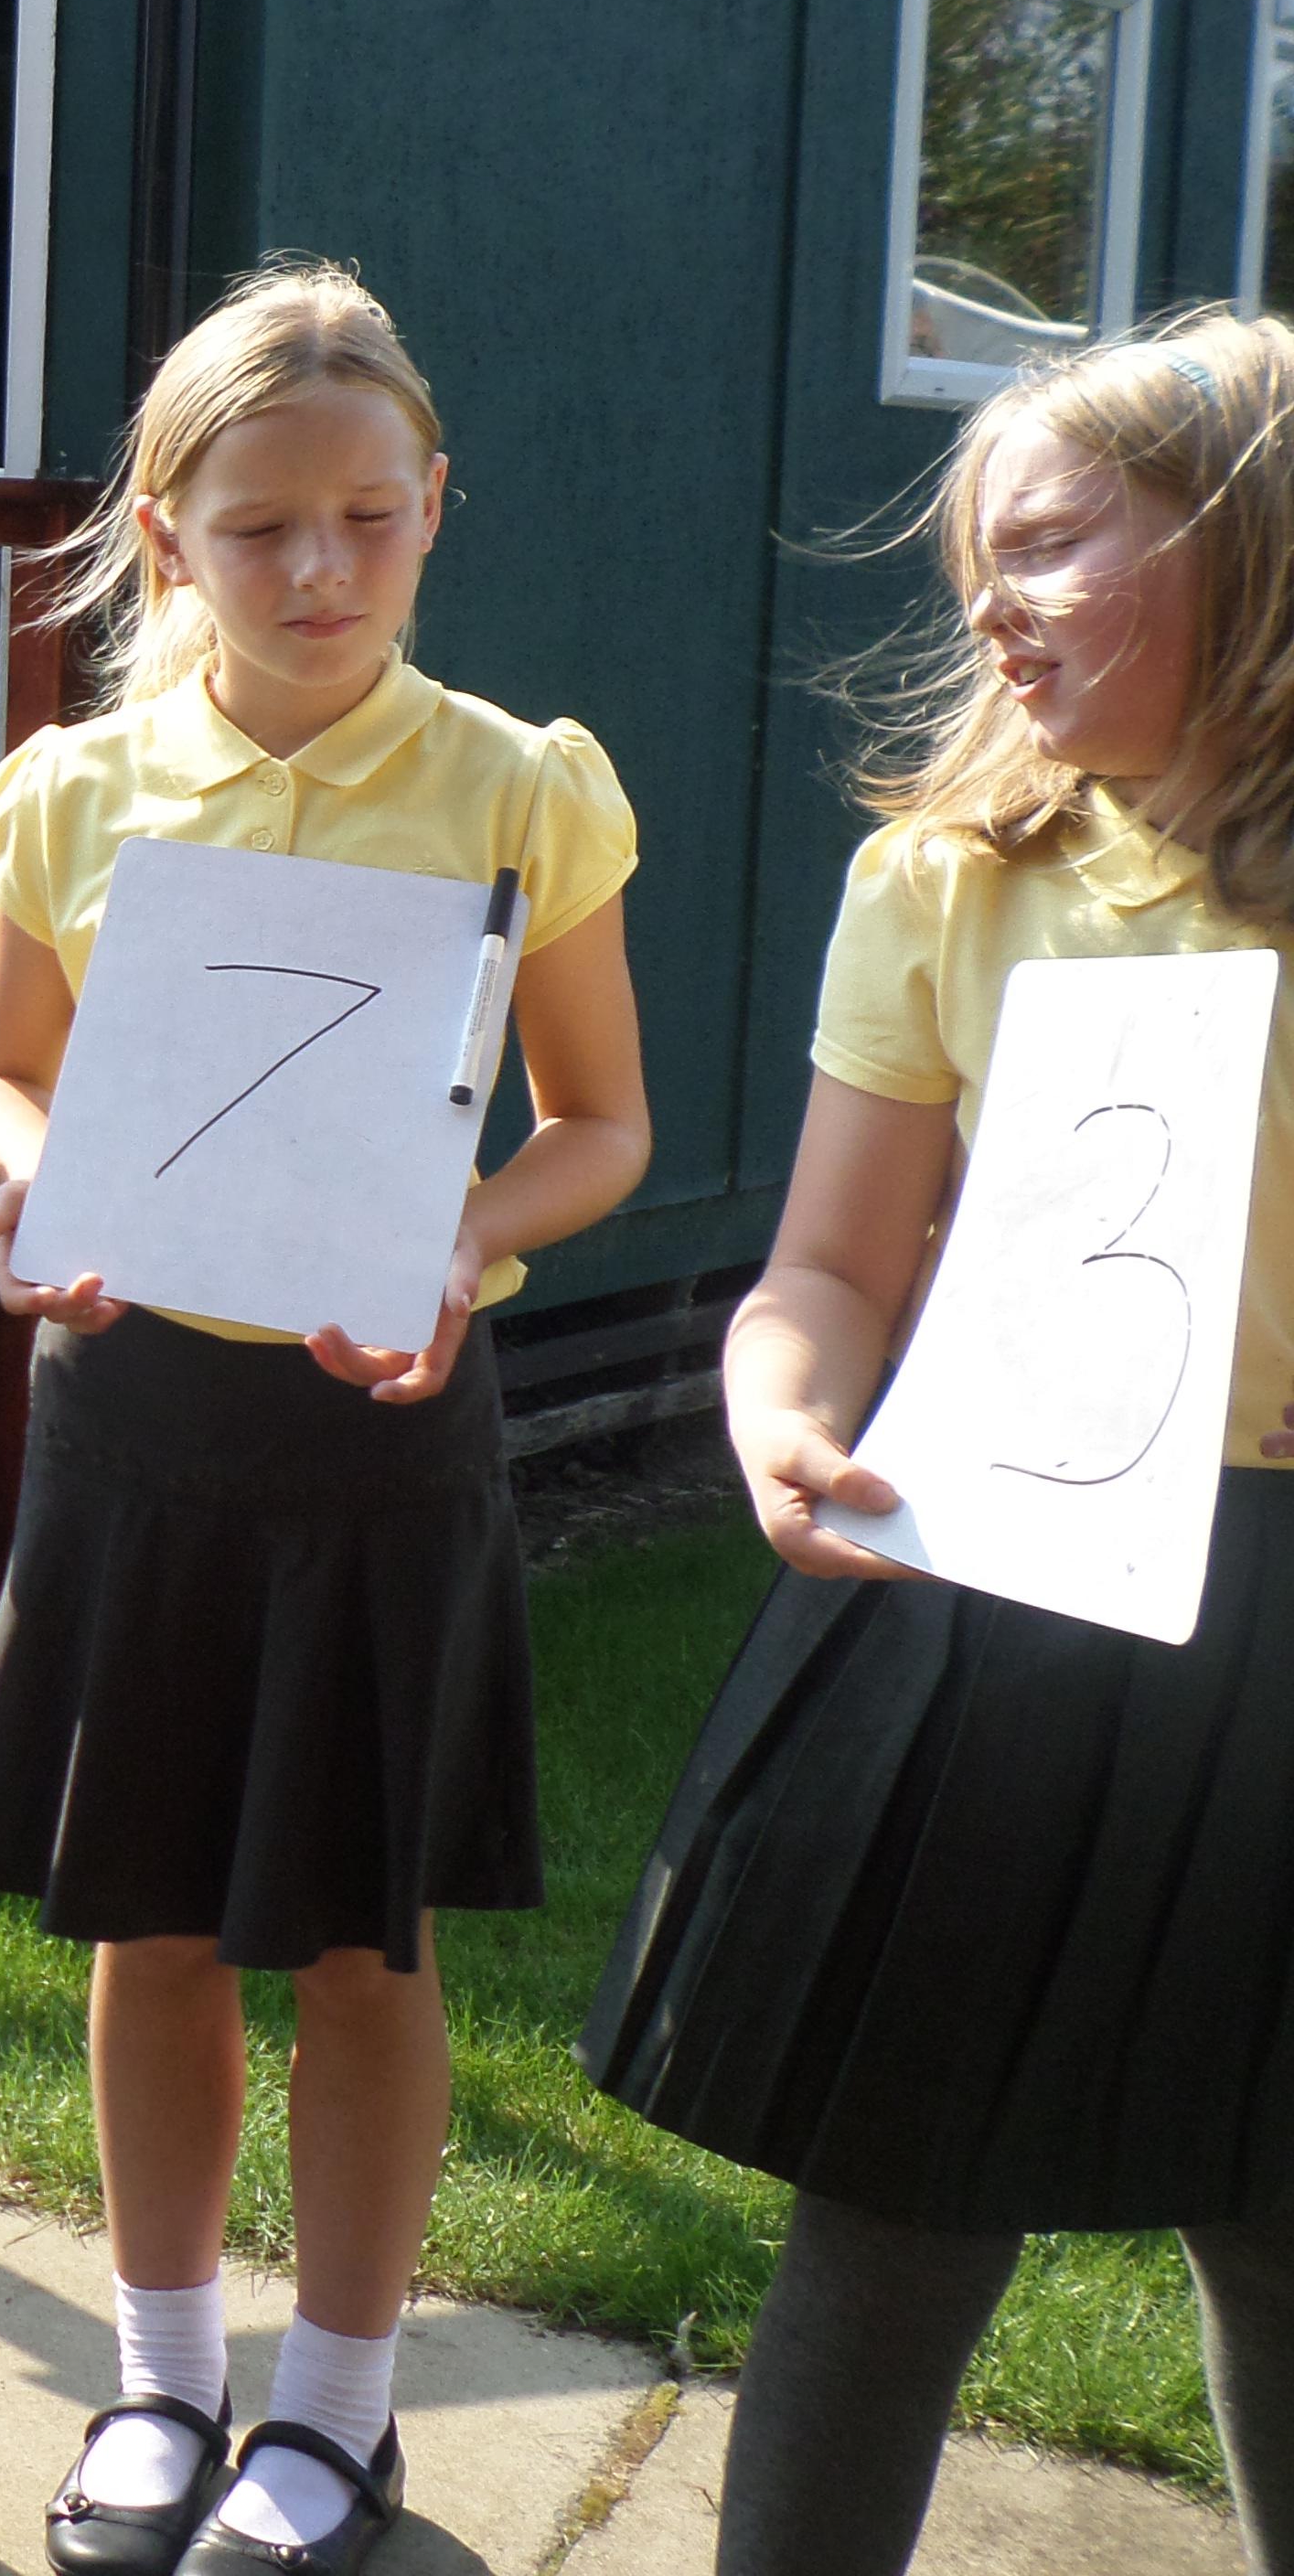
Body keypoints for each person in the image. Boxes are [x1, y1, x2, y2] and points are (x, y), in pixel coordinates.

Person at [0, 260, 649, 2576]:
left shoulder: (518, 786)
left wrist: (465, 1238)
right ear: (165, 537)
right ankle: (161, 2384)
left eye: (367, 517)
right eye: (256, 529)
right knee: (147, 1923)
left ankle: (337, 2417)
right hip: (135, 1423)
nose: (318, 569)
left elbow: (602, 1124)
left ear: (436, 504)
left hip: (380, 1438)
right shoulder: (76, 790)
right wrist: (28, 1173)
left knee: (362, 1944)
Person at [577, 308, 1294, 2576]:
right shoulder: (948, 882)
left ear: (1254, 544)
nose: (994, 600)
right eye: (983, 555)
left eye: (1056, 544)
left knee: (1280, 2222)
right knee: (897, 2209)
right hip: (1001, 1606)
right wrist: (780, 1412)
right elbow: (826, 1267)